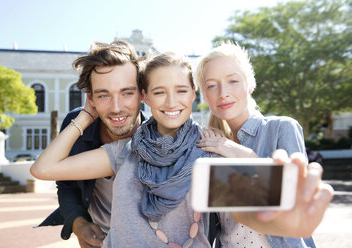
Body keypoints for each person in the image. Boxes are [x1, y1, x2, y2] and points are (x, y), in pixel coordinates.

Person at [32, 51, 331, 247]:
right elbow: (44, 169)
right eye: (160, 92)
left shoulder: (208, 147)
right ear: (145, 96)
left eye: (181, 91)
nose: (171, 102)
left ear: (192, 96)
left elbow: (240, 211)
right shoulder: (125, 149)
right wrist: (85, 115)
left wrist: (284, 223)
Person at [195, 41, 334, 247]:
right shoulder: (211, 145)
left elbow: (290, 199)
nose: (223, 92)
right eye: (212, 85)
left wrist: (240, 153)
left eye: (233, 81)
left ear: (250, 84)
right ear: (205, 95)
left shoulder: (281, 128)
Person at [38, 40, 146, 248]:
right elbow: (66, 184)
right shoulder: (77, 125)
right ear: (91, 98)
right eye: (104, 95)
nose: (116, 108)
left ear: (142, 94)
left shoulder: (159, 135)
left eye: (127, 93)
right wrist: (79, 223)